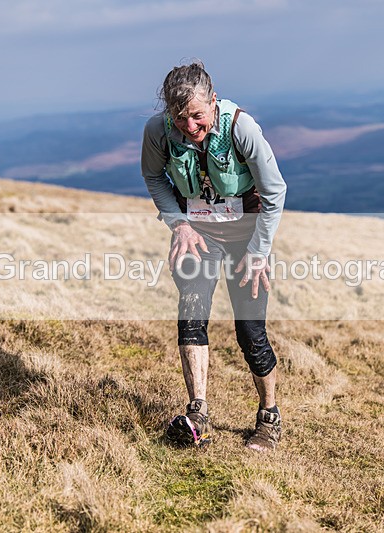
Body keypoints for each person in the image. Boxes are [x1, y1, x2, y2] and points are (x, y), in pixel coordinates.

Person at [141, 61, 287, 452]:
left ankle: (269, 417)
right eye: (180, 116)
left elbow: (275, 193)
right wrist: (179, 225)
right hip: (198, 234)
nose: (189, 126)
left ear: (214, 102)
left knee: (250, 332)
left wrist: (259, 252)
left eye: (198, 115)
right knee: (191, 314)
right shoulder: (158, 132)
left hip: (247, 235)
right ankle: (198, 413)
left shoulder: (242, 128)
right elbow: (155, 177)